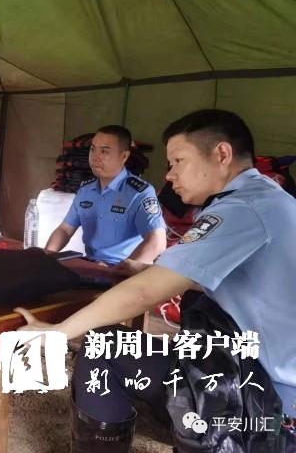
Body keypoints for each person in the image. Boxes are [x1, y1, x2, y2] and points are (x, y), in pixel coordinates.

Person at [17, 109, 296, 452]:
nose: (170, 174)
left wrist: (57, 332)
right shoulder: (264, 197)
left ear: (222, 154)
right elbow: (231, 280)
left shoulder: (241, 208)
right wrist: (147, 271)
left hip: (265, 393)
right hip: (244, 360)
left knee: (102, 348)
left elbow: (144, 293)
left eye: (178, 161)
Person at [45, 125, 167, 266]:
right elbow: (65, 230)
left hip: (125, 269)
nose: (95, 157)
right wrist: (46, 256)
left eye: (104, 151)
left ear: (124, 156)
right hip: (91, 266)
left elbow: (157, 242)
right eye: (93, 149)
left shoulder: (139, 192)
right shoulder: (85, 190)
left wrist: (119, 271)